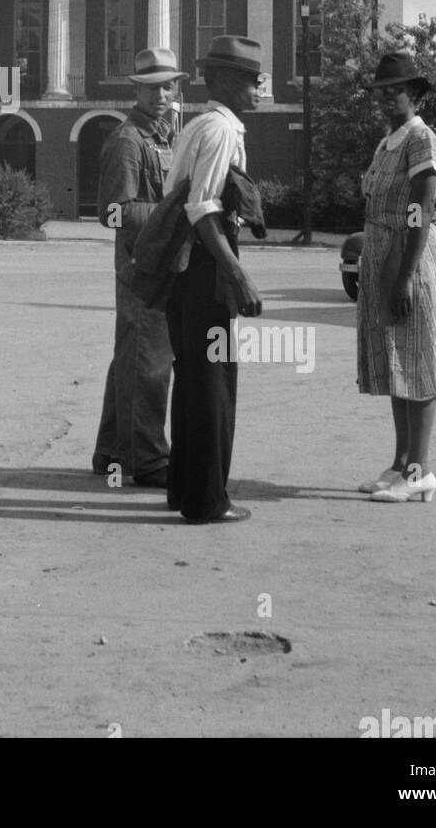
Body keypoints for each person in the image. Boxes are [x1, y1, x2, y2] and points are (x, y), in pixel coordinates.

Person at [163, 35, 264, 524]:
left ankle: (185, 490)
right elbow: (202, 208)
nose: (258, 87)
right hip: (206, 265)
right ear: (223, 80)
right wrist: (237, 274)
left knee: (193, 380)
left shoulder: (197, 126)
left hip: (187, 268)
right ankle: (207, 501)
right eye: (249, 79)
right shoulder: (221, 130)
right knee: (212, 385)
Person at [355, 52, 436, 503]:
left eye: (395, 90)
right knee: (397, 365)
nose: (386, 98)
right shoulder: (387, 140)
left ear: (414, 94)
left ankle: (420, 470)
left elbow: (421, 210)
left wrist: (406, 277)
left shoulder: (421, 139)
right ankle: (399, 465)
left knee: (418, 363)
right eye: (380, 92)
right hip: (383, 256)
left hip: (410, 258)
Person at [91, 47, 186, 486]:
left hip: (161, 265)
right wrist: (177, 213)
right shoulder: (129, 140)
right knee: (147, 364)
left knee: (133, 357)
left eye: (168, 85)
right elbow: (113, 212)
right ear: (137, 89)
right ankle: (147, 461)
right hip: (139, 268)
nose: (161, 94)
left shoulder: (166, 137)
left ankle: (111, 450)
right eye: (152, 87)